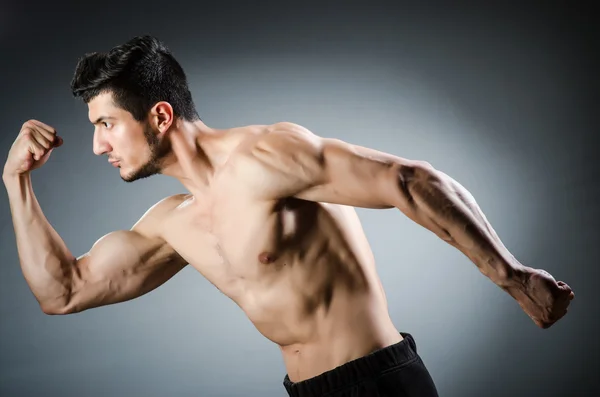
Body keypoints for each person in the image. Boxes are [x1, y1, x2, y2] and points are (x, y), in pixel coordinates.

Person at [3, 35, 575, 397]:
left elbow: (410, 179)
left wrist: (510, 274)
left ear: (159, 116)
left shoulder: (265, 157)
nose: (98, 146)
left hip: (379, 383)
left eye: (106, 125)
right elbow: (64, 292)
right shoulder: (172, 221)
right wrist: (16, 182)